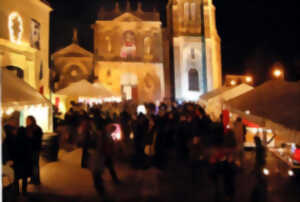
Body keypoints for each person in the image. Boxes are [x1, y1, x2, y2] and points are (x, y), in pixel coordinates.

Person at [14, 127, 34, 196]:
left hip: (17, 161)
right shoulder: (27, 140)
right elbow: (29, 151)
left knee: (16, 177)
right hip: (25, 161)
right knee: (24, 177)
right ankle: (24, 191)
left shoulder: (15, 140)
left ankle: (16, 192)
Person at [26, 116, 43, 185]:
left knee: (34, 165)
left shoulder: (31, 128)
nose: (27, 122)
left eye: (28, 120)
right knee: (34, 164)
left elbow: (30, 138)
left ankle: (35, 179)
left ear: (31, 121)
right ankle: (35, 179)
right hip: (36, 148)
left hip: (33, 148)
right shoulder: (38, 128)